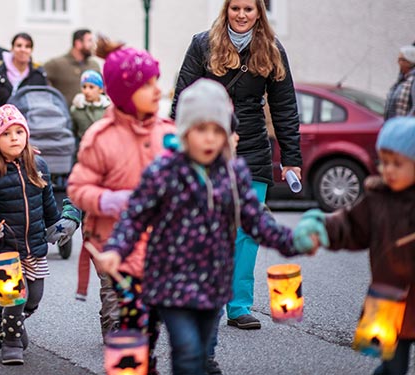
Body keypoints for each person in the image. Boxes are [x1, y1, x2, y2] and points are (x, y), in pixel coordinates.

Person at [98, 78, 311, 374]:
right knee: (186, 351)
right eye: (201, 130)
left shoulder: (234, 174)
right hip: (171, 284)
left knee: (202, 351)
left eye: (217, 130)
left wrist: (293, 241)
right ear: (185, 132)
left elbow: (256, 220)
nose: (209, 139)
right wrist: (116, 249)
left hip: (213, 286)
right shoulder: (163, 172)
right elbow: (135, 217)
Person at [171, 0, 302, 339]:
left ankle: (239, 305)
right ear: (226, 10)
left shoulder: (271, 49)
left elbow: (284, 105)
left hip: (252, 150)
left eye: (249, 8)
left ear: (259, 12)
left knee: (246, 230)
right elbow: (183, 96)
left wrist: (292, 157)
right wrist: (175, 145)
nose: (241, 14)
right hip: (208, 147)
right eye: (235, 8)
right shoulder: (204, 43)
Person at [67, 37, 173, 373]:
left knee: (149, 320)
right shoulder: (100, 137)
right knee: (118, 302)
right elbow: (77, 187)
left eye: (157, 82)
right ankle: (118, 338)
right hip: (109, 243)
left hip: (155, 245)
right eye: (148, 84)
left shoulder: (168, 134)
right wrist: (107, 200)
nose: (158, 91)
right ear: (125, 92)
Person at [294, 116, 415, 375]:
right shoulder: (378, 199)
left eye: (398, 164)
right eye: (384, 162)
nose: (388, 170)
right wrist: (321, 229)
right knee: (393, 368)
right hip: (388, 298)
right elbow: (350, 226)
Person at [0, 104, 79, 365]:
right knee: (14, 297)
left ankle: (14, 324)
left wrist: (58, 225)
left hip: (35, 246)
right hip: (5, 247)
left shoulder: (38, 164)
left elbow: (48, 201)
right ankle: (11, 343)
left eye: (19, 132)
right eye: (7, 134)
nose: (15, 138)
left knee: (34, 297)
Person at [0, 33, 47, 117]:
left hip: (31, 124)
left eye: (27, 46)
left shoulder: (38, 75)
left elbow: (44, 104)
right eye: (19, 46)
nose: (23, 49)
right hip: (1, 123)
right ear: (12, 48)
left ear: (31, 50)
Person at [44, 29, 100, 105]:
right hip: (66, 114)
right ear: (78, 43)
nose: (93, 45)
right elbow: (40, 78)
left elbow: (102, 89)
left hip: (92, 115)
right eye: (89, 41)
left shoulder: (94, 65)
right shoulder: (57, 64)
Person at [70, 69, 110, 143]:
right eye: (84, 87)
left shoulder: (108, 109)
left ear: (101, 89)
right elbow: (72, 132)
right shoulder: (75, 109)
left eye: (91, 87)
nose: (87, 91)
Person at [384, 45, 415, 120]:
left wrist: (404, 125)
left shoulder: (413, 80)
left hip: (405, 128)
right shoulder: (403, 79)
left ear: (409, 62)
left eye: (401, 59)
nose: (398, 62)